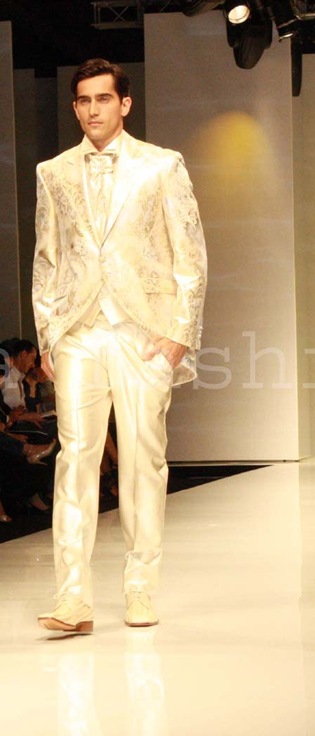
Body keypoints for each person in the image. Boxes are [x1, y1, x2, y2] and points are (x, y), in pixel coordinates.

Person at [32, 58, 207, 633]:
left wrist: (180, 332)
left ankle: (139, 588)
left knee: (141, 462)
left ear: (124, 103)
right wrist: (49, 335)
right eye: (83, 100)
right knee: (74, 460)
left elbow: (190, 253)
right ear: (75, 106)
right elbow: (47, 258)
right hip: (79, 330)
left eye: (103, 98)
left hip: (144, 332)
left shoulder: (162, 165)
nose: (92, 110)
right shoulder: (53, 172)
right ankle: (72, 598)